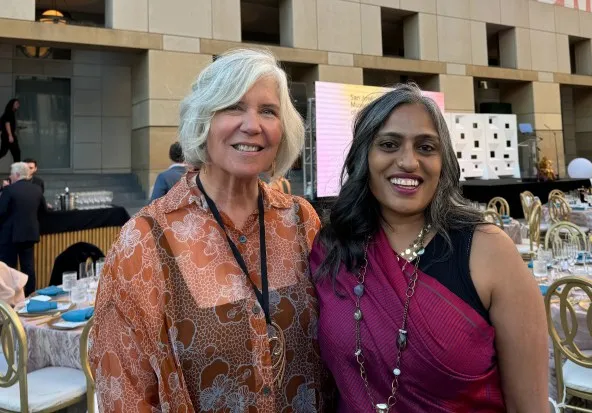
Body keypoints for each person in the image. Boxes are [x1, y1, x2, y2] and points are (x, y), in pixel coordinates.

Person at [90, 49, 329, 412]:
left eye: (268, 110)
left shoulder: (301, 221)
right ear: (203, 119)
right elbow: (124, 391)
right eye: (233, 107)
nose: (252, 125)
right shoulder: (144, 242)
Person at [310, 84, 549, 412]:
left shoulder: (489, 253)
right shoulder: (333, 249)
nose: (408, 161)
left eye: (425, 147)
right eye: (389, 144)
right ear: (365, 156)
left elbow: (529, 406)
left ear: (443, 163)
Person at [0, 162, 47, 297]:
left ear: (17, 174)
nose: (9, 176)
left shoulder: (9, 190)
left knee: (8, 269)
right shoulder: (37, 189)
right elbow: (44, 211)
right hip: (29, 234)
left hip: (10, 236)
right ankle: (30, 296)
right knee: (28, 268)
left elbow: (1, 211)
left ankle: (10, 300)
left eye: (11, 174)